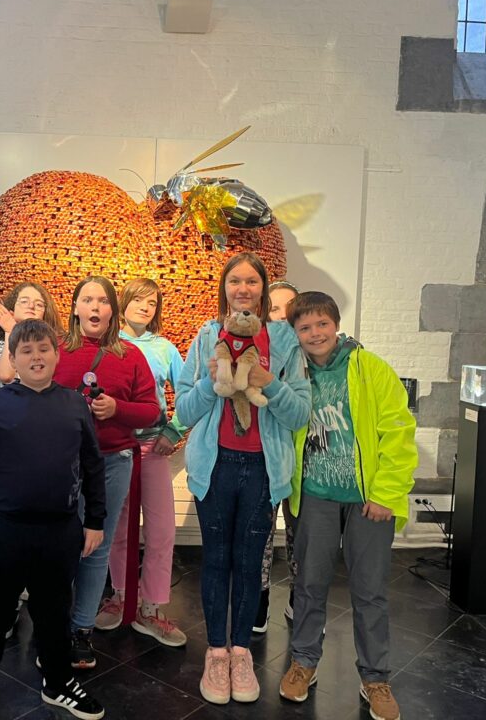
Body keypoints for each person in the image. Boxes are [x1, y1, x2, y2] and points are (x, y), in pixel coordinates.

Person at [0, 319, 107, 720]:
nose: (36, 357)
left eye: (43, 349)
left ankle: (58, 681)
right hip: (0, 530)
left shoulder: (74, 404)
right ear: (12, 360)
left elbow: (92, 465)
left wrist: (95, 520)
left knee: (55, 613)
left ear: (56, 355)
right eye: (26, 351)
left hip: (58, 530)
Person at [176, 252, 310, 706]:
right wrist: (209, 381)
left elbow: (299, 413)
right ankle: (217, 653)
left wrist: (269, 381)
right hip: (215, 468)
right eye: (235, 280)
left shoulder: (285, 340)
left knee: (251, 563)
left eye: (252, 281)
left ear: (263, 288)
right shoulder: (207, 336)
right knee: (216, 560)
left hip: (262, 470)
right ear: (224, 287)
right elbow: (184, 410)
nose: (243, 289)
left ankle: (241, 654)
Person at [279, 292, 417, 720]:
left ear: (335, 324)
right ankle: (303, 662)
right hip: (315, 496)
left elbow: (399, 431)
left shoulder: (370, 368)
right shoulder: (293, 374)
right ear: (295, 333)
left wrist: (386, 493)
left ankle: (375, 677)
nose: (315, 333)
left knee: (370, 591)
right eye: (305, 327)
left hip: (366, 502)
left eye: (322, 324)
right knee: (309, 585)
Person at [54, 275, 160, 669]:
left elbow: (151, 411)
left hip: (113, 462)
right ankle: (54, 627)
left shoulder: (131, 356)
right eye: (87, 299)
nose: (95, 307)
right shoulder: (57, 350)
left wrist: (117, 409)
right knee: (59, 547)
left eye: (102, 301)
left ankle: (82, 629)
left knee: (96, 548)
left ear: (112, 311)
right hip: (60, 464)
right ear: (75, 308)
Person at [95, 278, 188, 646]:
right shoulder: (107, 346)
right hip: (116, 449)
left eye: (152, 302)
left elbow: (188, 394)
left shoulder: (165, 349)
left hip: (152, 450)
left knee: (161, 530)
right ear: (123, 303)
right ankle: (120, 596)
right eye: (139, 300)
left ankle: (151, 608)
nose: (145, 307)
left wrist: (173, 431)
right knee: (118, 528)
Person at [256, 278, 300, 632]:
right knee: (261, 535)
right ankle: (259, 602)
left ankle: (301, 600)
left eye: (290, 310)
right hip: (269, 456)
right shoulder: (256, 353)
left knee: (302, 536)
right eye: (274, 310)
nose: (282, 318)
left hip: (309, 461)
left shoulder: (314, 354)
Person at [0, 281, 63, 387]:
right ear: (12, 309)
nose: (31, 306)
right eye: (24, 301)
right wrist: (10, 331)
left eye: (39, 304)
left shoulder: (57, 342)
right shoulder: (0, 342)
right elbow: (6, 376)